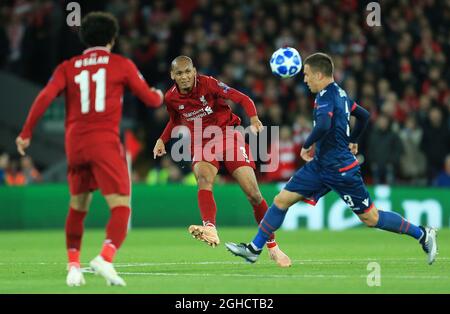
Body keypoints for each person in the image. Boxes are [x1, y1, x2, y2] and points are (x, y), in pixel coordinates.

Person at [225, 53, 438, 266]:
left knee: (370, 218)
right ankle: (254, 249)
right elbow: (363, 116)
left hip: (340, 168)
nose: (305, 80)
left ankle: (422, 234)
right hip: (320, 165)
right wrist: (353, 139)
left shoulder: (326, 96)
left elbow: (324, 125)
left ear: (319, 74)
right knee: (281, 200)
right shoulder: (341, 94)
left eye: (307, 75)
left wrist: (307, 144)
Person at [16, 12, 164, 287]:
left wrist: (26, 132)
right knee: (121, 207)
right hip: (103, 142)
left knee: (78, 206)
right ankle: (105, 257)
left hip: (75, 144)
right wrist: (158, 94)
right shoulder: (121, 64)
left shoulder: (68, 67)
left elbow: (45, 96)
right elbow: (150, 100)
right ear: (112, 38)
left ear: (85, 39)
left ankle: (74, 266)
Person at [153, 56, 291, 267]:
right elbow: (175, 120)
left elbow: (243, 98)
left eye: (187, 71)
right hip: (200, 140)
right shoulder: (171, 98)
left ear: (194, 71)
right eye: (179, 73)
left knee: (253, 194)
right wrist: (162, 140)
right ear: (172, 76)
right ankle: (210, 227)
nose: (184, 76)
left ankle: (272, 246)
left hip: (228, 135)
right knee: (203, 178)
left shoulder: (209, 83)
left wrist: (254, 118)